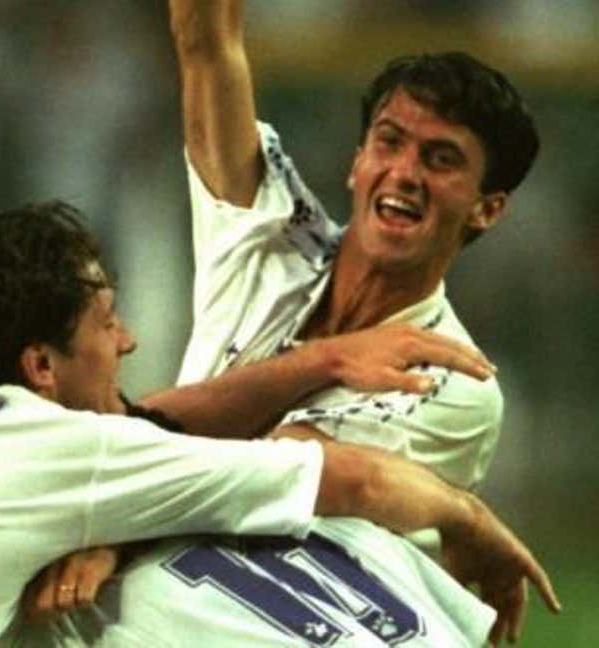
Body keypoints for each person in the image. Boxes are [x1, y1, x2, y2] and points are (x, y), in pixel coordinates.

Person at [0, 202, 555, 647]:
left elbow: (143, 425)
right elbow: (353, 478)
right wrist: (470, 521)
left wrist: (324, 362)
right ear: (39, 367)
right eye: (106, 323)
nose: (130, 340)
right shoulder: (57, 456)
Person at [29, 1, 546, 645]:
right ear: (357, 161)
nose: (405, 173)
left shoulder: (457, 386)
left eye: (441, 160)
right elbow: (206, 44)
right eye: (390, 141)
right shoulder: (271, 234)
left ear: (486, 209)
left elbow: (270, 475)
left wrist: (113, 530)